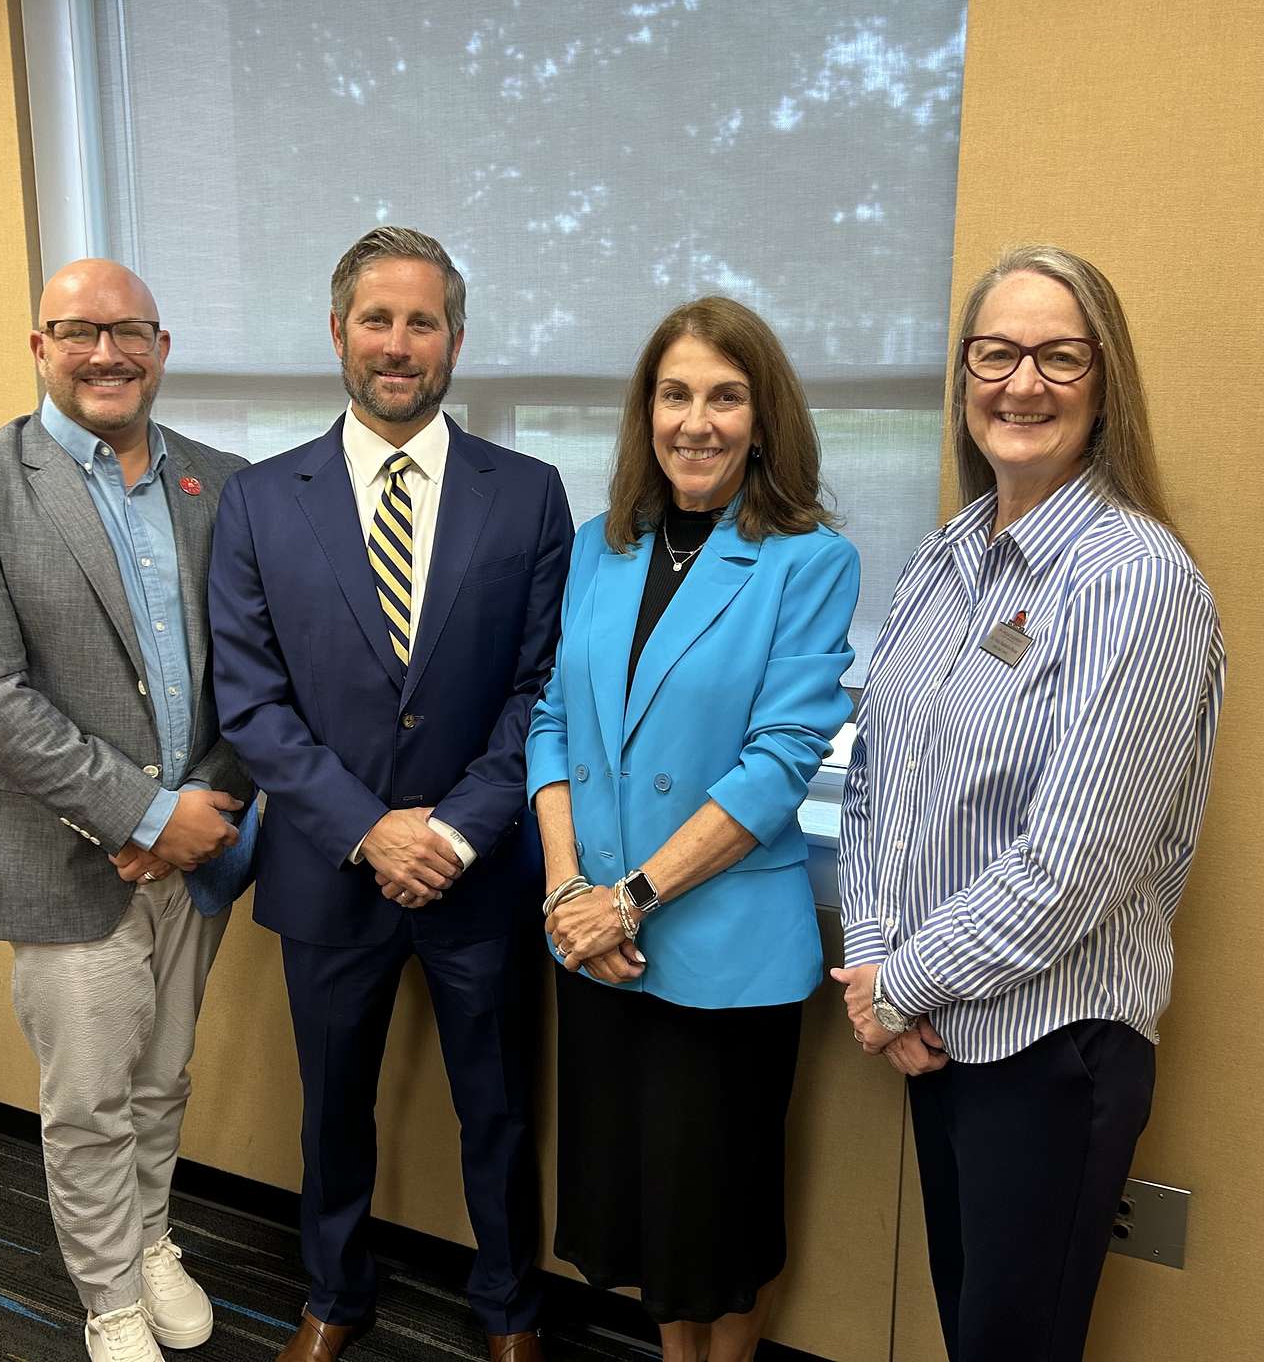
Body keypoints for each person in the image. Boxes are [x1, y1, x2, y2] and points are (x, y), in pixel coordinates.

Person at [833, 245, 1225, 1362]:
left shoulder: (1131, 578)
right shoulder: (945, 554)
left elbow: (1073, 865)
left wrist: (891, 986)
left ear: (1105, 384)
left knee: (1013, 1344)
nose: (1022, 384)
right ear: (963, 377)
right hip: (930, 1024)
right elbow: (874, 781)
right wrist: (873, 956)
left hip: (1047, 1048)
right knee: (973, 1328)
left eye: (1058, 356)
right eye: (995, 353)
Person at [208, 226, 573, 1362]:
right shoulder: (261, 500)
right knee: (329, 1107)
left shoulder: (528, 494)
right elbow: (251, 702)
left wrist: (454, 830)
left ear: (456, 338)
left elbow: (540, 687)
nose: (398, 343)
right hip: (329, 866)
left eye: (422, 321)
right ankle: (333, 1291)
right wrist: (369, 828)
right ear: (337, 333)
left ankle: (511, 1309)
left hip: (479, 871)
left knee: (501, 1110)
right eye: (377, 319)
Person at [0, 259, 257, 1362]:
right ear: (39, 344)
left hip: (198, 845)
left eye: (130, 332)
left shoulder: (223, 482)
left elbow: (259, 667)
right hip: (68, 857)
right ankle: (106, 1293)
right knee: (89, 1098)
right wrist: (145, 814)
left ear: (161, 345)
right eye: (78, 330)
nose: (106, 353)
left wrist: (207, 801)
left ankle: (152, 1237)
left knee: (163, 1077)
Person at [525, 296, 859, 1362]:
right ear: (646, 410)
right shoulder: (597, 547)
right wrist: (566, 889)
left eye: (724, 395)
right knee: (648, 1223)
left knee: (718, 1223)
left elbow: (777, 763)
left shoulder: (807, 560)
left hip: (720, 956)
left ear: (761, 419)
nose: (696, 420)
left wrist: (626, 898)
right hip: (598, 949)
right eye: (675, 394)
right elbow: (550, 719)